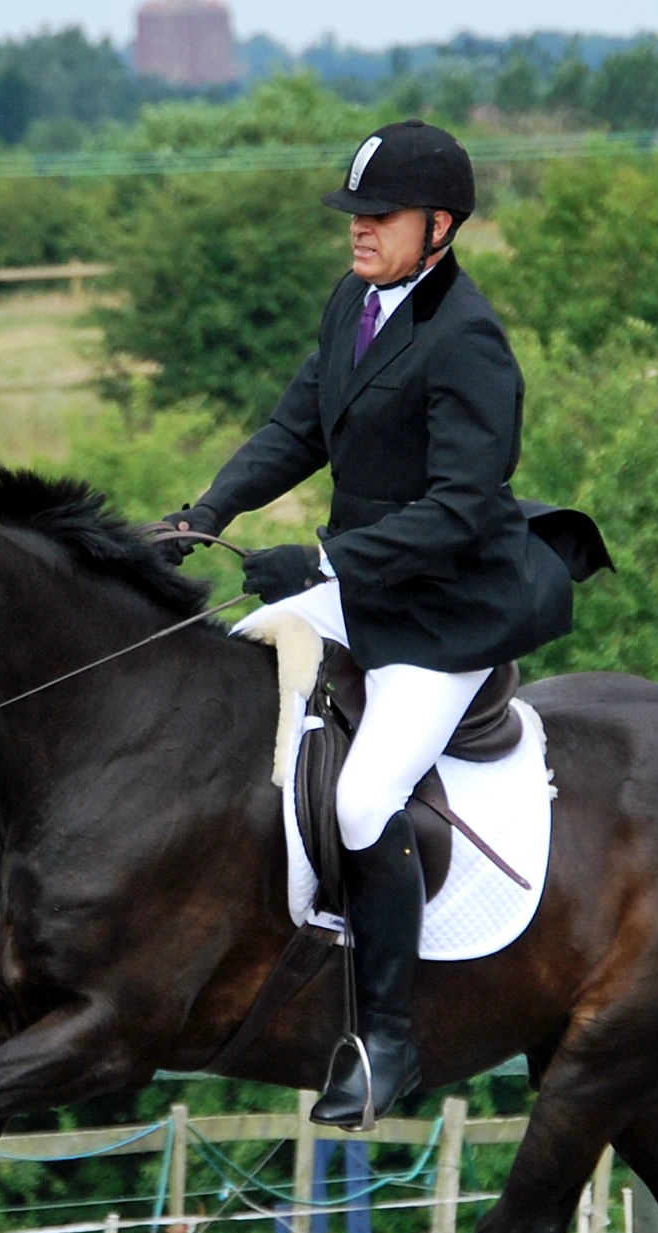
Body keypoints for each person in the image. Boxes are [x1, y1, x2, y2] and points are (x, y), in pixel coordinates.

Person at [159, 119, 576, 1130]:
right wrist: (205, 511)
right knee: (215, 672)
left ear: (437, 226)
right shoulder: (355, 302)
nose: (356, 231)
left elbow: (461, 509)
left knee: (360, 799)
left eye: (375, 216)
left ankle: (387, 1044)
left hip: (441, 617)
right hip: (364, 589)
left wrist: (327, 562)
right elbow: (297, 426)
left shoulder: (466, 341)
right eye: (351, 214)